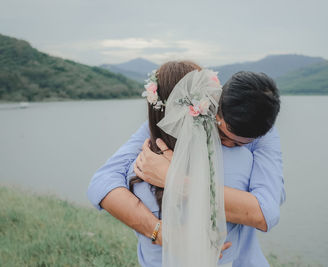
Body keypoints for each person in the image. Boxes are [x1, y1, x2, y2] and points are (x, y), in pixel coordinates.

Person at [88, 61, 285, 266]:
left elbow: (265, 213)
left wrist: (174, 178)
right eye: (224, 134)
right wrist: (161, 232)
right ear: (216, 105)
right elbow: (101, 182)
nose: (226, 144)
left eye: (239, 143)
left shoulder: (263, 136)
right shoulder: (169, 126)